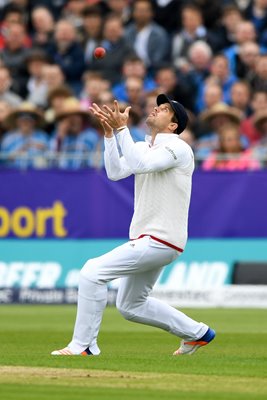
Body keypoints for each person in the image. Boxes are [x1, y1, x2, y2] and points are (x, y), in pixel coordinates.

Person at [51, 93, 215, 357]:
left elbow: (142, 165)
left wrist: (122, 129)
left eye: (163, 110)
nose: (156, 109)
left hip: (161, 238)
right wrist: (109, 136)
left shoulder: (179, 147)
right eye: (157, 106)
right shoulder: (141, 146)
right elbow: (116, 172)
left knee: (92, 272)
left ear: (173, 125)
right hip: (148, 239)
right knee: (131, 305)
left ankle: (84, 346)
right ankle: (198, 333)